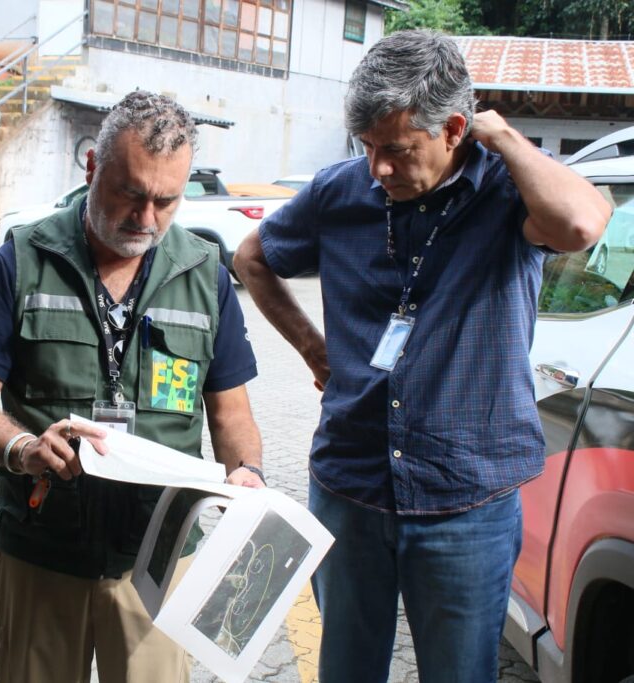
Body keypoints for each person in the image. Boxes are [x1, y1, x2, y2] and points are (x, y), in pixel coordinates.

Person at [234, 29, 611, 683]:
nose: (378, 166)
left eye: (396, 150)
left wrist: (504, 135)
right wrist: (311, 347)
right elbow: (253, 258)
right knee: (347, 671)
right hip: (350, 487)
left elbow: (582, 223)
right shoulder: (340, 191)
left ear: (455, 128)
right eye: (368, 147)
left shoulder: (505, 193)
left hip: (467, 500)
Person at [0, 90, 265, 683]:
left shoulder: (205, 276)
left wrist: (246, 471)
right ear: (92, 166)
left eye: (166, 201)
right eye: (130, 193)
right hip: (41, 551)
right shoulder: (21, 259)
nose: (146, 219)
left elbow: (232, 416)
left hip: (159, 561)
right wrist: (23, 448)